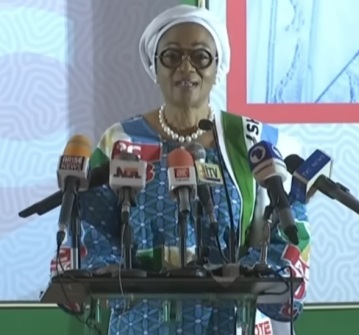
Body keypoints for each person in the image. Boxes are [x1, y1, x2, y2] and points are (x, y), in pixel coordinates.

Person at [50, 4, 310, 335]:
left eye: (201, 56)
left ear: (218, 68)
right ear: (154, 66)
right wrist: (116, 274)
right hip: (141, 323)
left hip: (233, 321)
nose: (186, 67)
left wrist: (251, 276)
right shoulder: (119, 140)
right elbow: (91, 232)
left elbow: (291, 227)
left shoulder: (252, 141)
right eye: (172, 56)